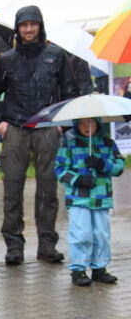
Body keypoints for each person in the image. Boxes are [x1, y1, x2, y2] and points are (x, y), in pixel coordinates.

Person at [0, 5, 79, 266]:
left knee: (48, 189)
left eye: (32, 24)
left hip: (48, 129)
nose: (28, 29)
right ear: (17, 28)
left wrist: (62, 125)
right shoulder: (6, 59)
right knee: (12, 188)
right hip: (15, 129)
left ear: (40, 26)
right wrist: (0, 125)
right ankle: (14, 246)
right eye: (23, 25)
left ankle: (47, 244)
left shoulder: (56, 55)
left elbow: (70, 93)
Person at [55, 118, 125, 286]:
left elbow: (119, 166)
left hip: (101, 198)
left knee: (101, 234)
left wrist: (102, 164)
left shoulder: (108, 143)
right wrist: (78, 179)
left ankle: (99, 268)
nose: (87, 127)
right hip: (78, 197)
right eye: (82, 123)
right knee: (81, 233)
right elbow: (60, 169)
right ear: (76, 125)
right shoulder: (69, 144)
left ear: (98, 124)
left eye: (91, 123)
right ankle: (78, 269)